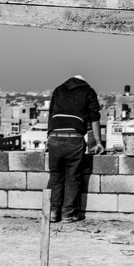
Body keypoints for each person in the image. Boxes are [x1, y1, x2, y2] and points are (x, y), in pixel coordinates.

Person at [47, 74, 103, 223]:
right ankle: (68, 214)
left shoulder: (58, 90)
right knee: (72, 177)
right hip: (74, 138)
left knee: (56, 176)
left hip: (54, 137)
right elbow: (94, 118)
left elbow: (51, 114)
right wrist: (98, 142)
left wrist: (49, 137)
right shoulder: (88, 91)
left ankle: (53, 212)